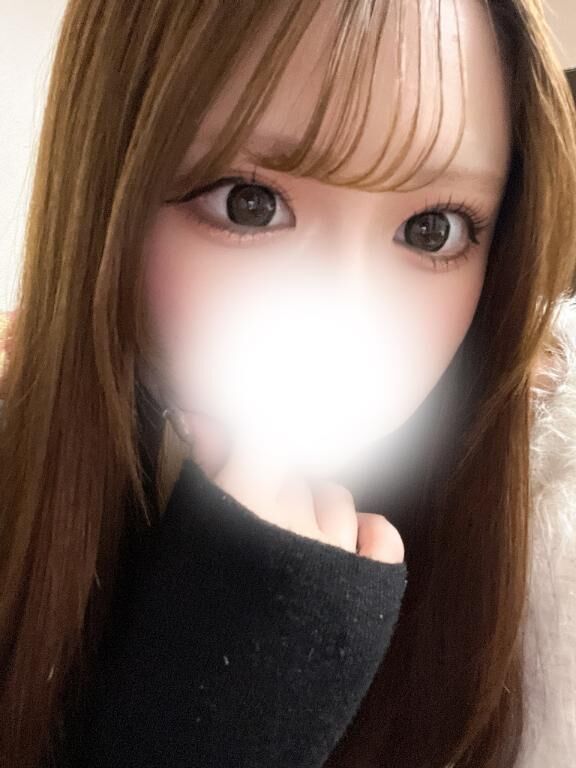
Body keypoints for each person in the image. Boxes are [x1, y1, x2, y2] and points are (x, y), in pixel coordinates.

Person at [0, 0, 575, 766]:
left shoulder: (549, 571)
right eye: (250, 205)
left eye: (433, 228)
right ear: (103, 199)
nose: (348, 320)